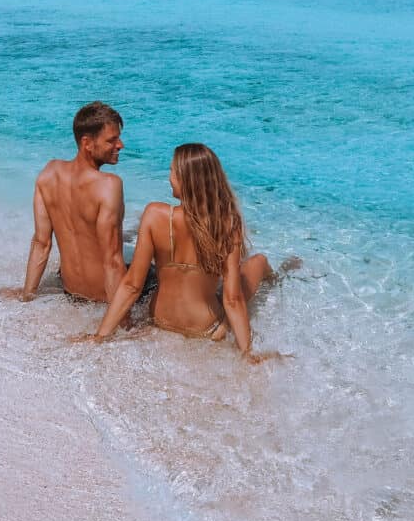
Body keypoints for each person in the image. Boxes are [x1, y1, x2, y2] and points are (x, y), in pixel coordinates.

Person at [74, 143, 281, 362]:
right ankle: (279, 275)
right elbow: (233, 299)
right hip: (207, 329)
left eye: (172, 171)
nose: (169, 177)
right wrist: (247, 353)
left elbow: (132, 285)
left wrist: (100, 335)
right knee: (257, 262)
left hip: (160, 321)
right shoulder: (227, 223)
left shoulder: (155, 214)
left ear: (186, 179)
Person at [0, 101, 127, 303]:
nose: (120, 145)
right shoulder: (109, 185)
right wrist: (120, 325)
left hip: (71, 292)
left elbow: (42, 243)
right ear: (87, 143)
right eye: (112, 140)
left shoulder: (49, 174)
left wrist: (27, 295)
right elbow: (112, 260)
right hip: (104, 297)